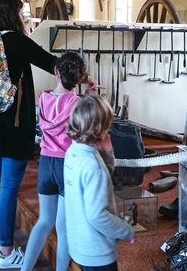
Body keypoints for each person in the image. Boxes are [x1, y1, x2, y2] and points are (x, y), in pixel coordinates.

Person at [0, 0, 97, 269]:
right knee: (10, 188)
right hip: (13, 123)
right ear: (15, 13)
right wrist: (86, 79)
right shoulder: (16, 40)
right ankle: (5, 252)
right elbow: (57, 65)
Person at [21, 51, 86, 271]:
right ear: (79, 79)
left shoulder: (42, 97)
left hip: (46, 163)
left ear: (56, 71)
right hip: (67, 165)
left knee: (44, 221)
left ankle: (25, 269)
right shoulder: (78, 104)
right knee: (63, 227)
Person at [64, 94, 134, 271]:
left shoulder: (72, 152)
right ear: (103, 129)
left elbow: (101, 182)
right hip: (97, 251)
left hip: (80, 243)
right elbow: (97, 215)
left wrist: (107, 153)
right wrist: (124, 229)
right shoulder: (93, 166)